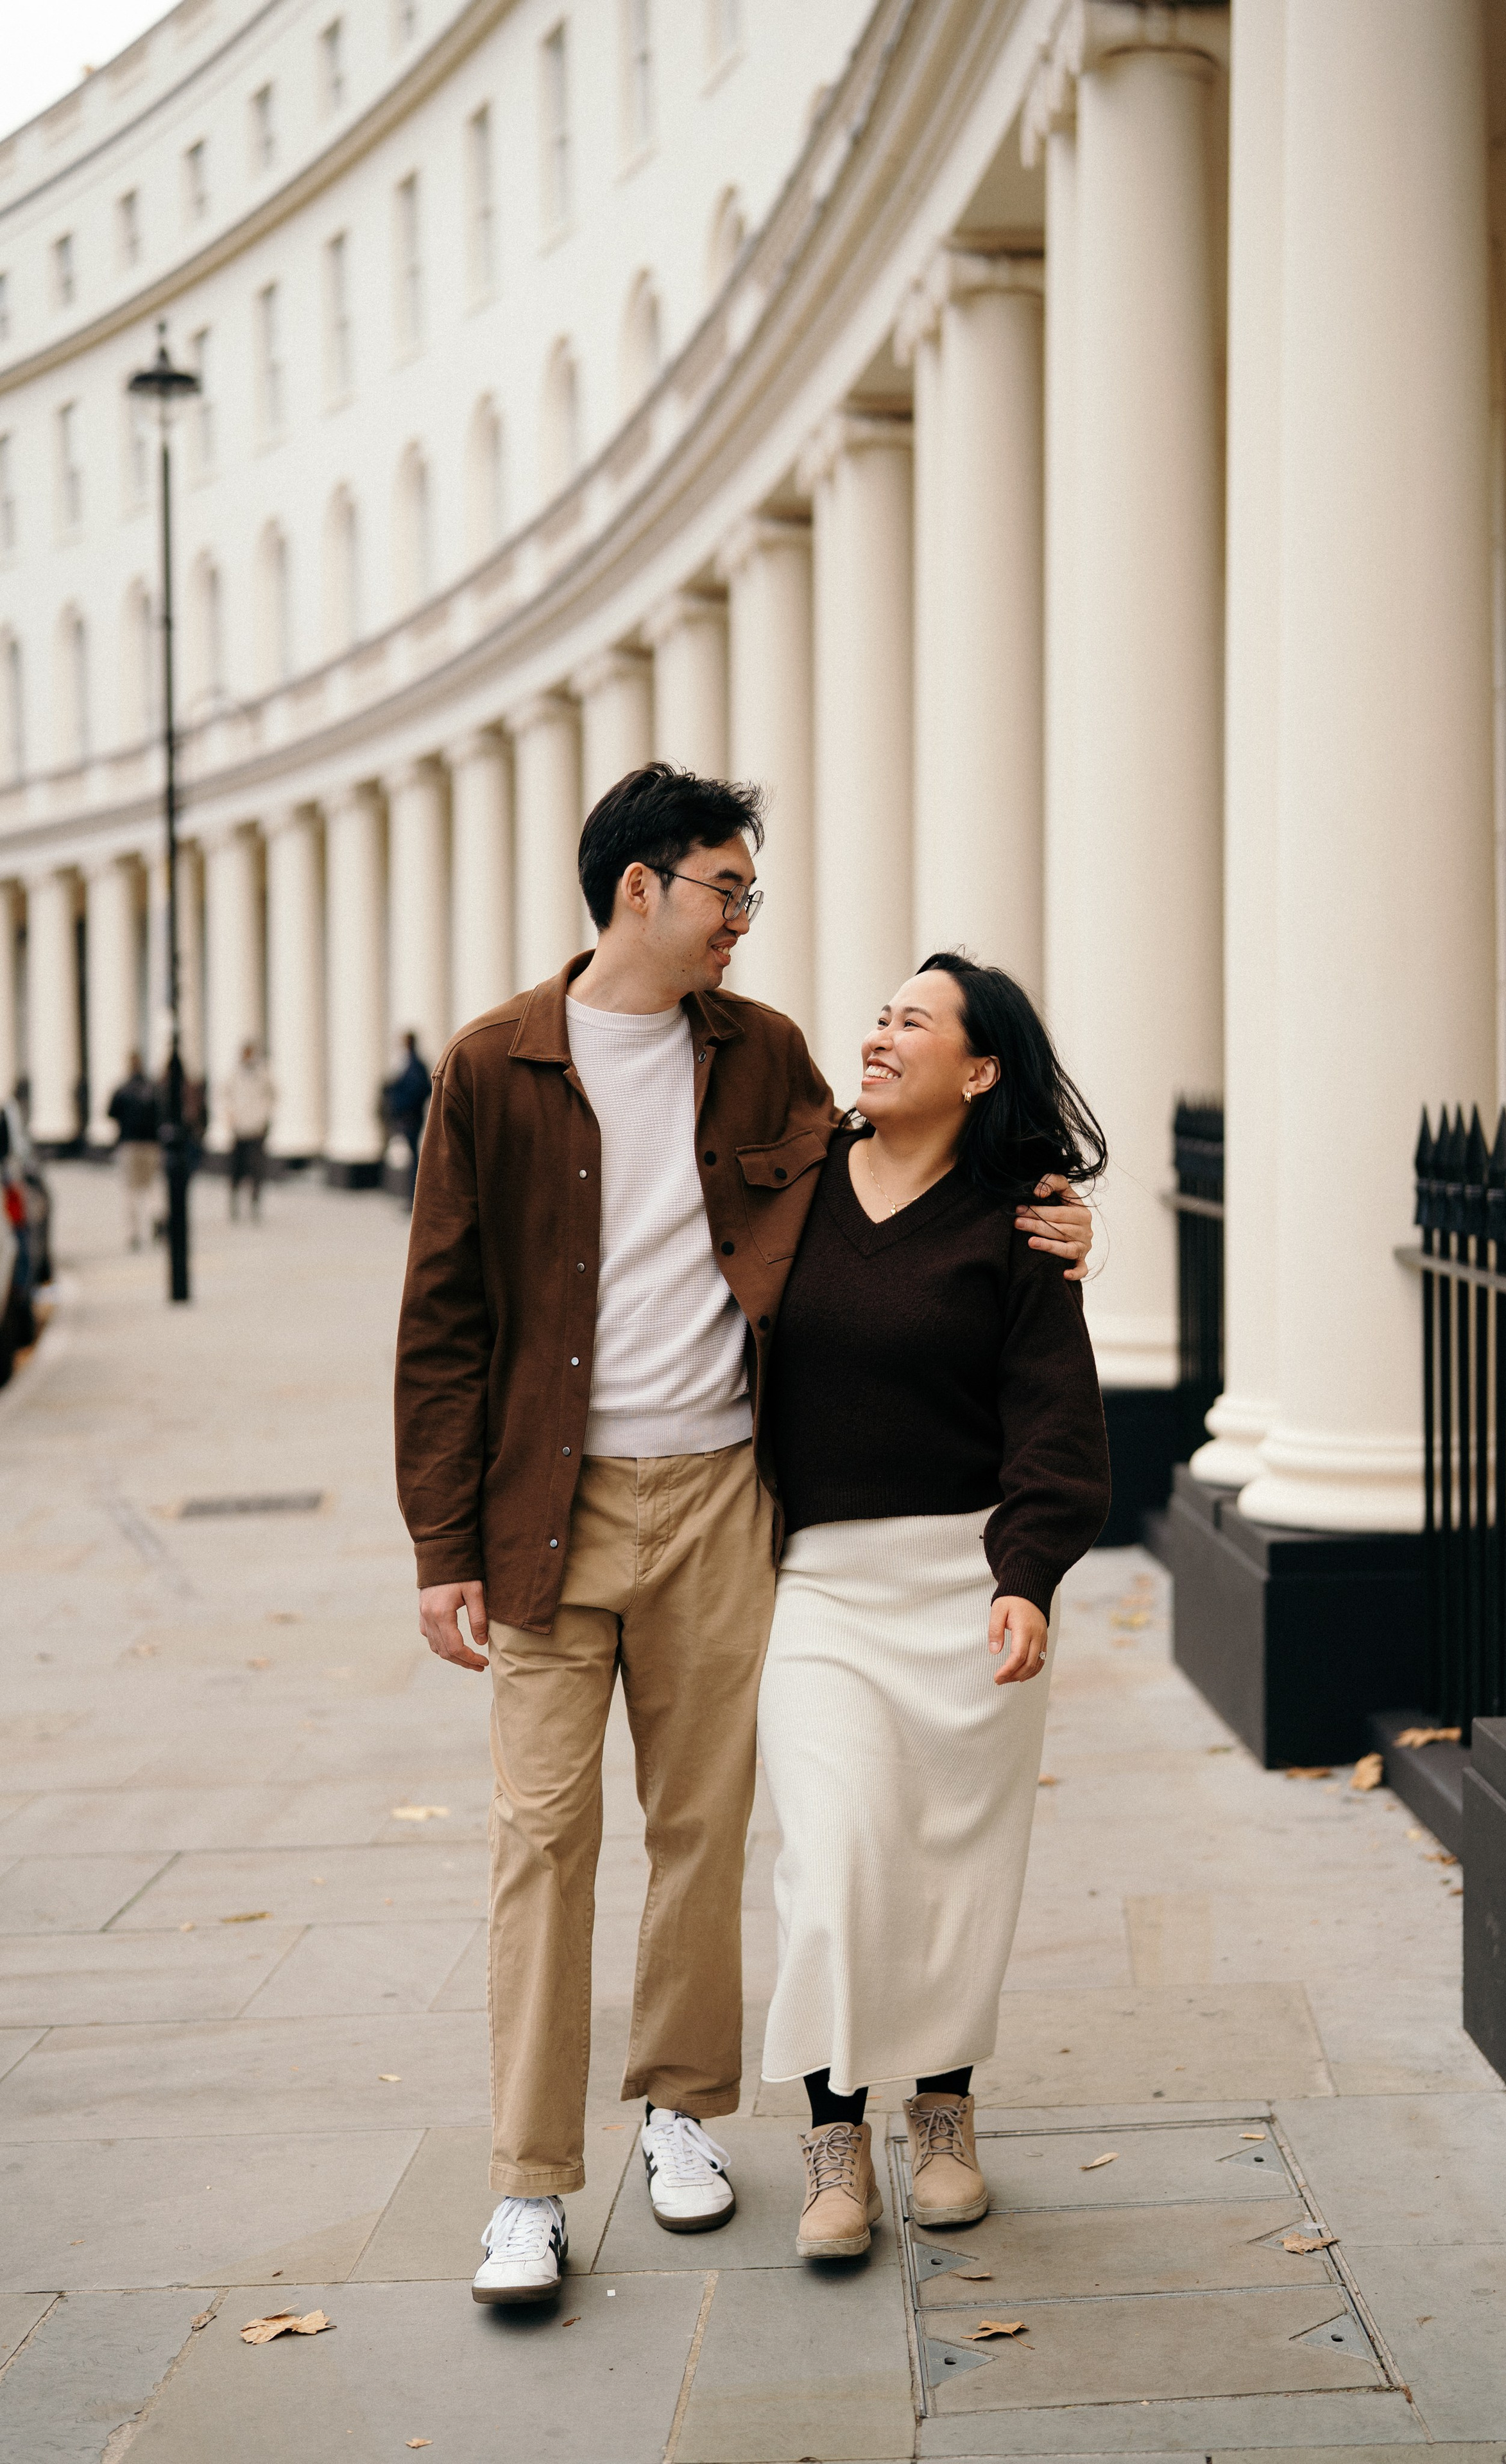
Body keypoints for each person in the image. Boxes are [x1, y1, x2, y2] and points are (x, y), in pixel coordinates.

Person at [393, 765, 1095, 2309]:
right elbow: (441, 1319)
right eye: (728, 887)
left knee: (704, 1833)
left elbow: (895, 1164)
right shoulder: (492, 1064)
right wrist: (441, 1538)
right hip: (545, 1509)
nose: (745, 917)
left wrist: (1047, 1213)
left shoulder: (761, 1051)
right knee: (540, 1837)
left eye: (750, 891)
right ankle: (526, 2183)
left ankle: (682, 2109)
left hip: (721, 1494)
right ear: (640, 887)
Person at [758, 955, 1110, 2259]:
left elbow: (1054, 1419)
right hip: (816, 1590)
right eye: (878, 1015)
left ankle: (944, 2118)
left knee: (956, 1866)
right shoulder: (790, 1179)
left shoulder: (1019, 1219)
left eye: (912, 1021)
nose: (877, 1034)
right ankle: (832, 2141)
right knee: (838, 1854)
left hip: (968, 1588)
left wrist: (1025, 1580)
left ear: (976, 1071)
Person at [107, 1054, 163, 1251]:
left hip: (129, 1145)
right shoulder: (152, 1089)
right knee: (151, 1187)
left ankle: (133, 1233)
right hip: (151, 1145)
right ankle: (157, 1218)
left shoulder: (122, 1090)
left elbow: (111, 1113)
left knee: (130, 1190)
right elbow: (161, 1114)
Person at [223, 1042, 275, 1220]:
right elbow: (224, 1096)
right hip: (239, 1128)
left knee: (256, 1169)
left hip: (256, 1128)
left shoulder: (262, 1074)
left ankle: (254, 1203)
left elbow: (272, 1096)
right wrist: (231, 1115)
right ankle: (234, 1202)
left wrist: (263, 1116)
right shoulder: (234, 1075)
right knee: (236, 1168)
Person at [383, 1031, 434, 1201]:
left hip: (410, 1118)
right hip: (409, 1116)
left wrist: (402, 1106)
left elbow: (419, 1090)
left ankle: (415, 1197)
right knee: (412, 1157)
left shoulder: (415, 1065)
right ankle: (412, 1196)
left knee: (414, 1158)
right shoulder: (411, 1064)